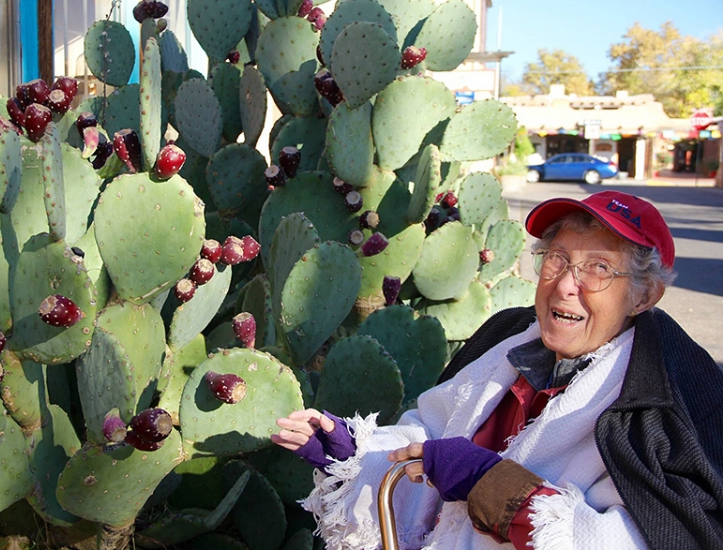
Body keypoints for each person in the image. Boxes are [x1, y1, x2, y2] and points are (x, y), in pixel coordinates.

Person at [272, 190, 723, 550]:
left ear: (645, 297)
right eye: (557, 259)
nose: (566, 284)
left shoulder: (665, 403)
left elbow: (644, 538)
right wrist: (353, 454)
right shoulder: (505, 340)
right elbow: (428, 438)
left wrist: (489, 484)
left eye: (599, 269)